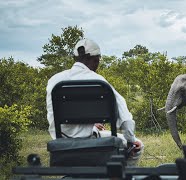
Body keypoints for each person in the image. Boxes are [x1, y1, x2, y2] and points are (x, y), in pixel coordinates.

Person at [46, 38, 143, 166]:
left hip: (61, 143)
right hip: (89, 141)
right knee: (138, 145)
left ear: (76, 58)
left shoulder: (55, 80)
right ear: (95, 59)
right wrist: (130, 140)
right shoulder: (98, 81)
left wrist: (90, 126)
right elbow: (125, 118)